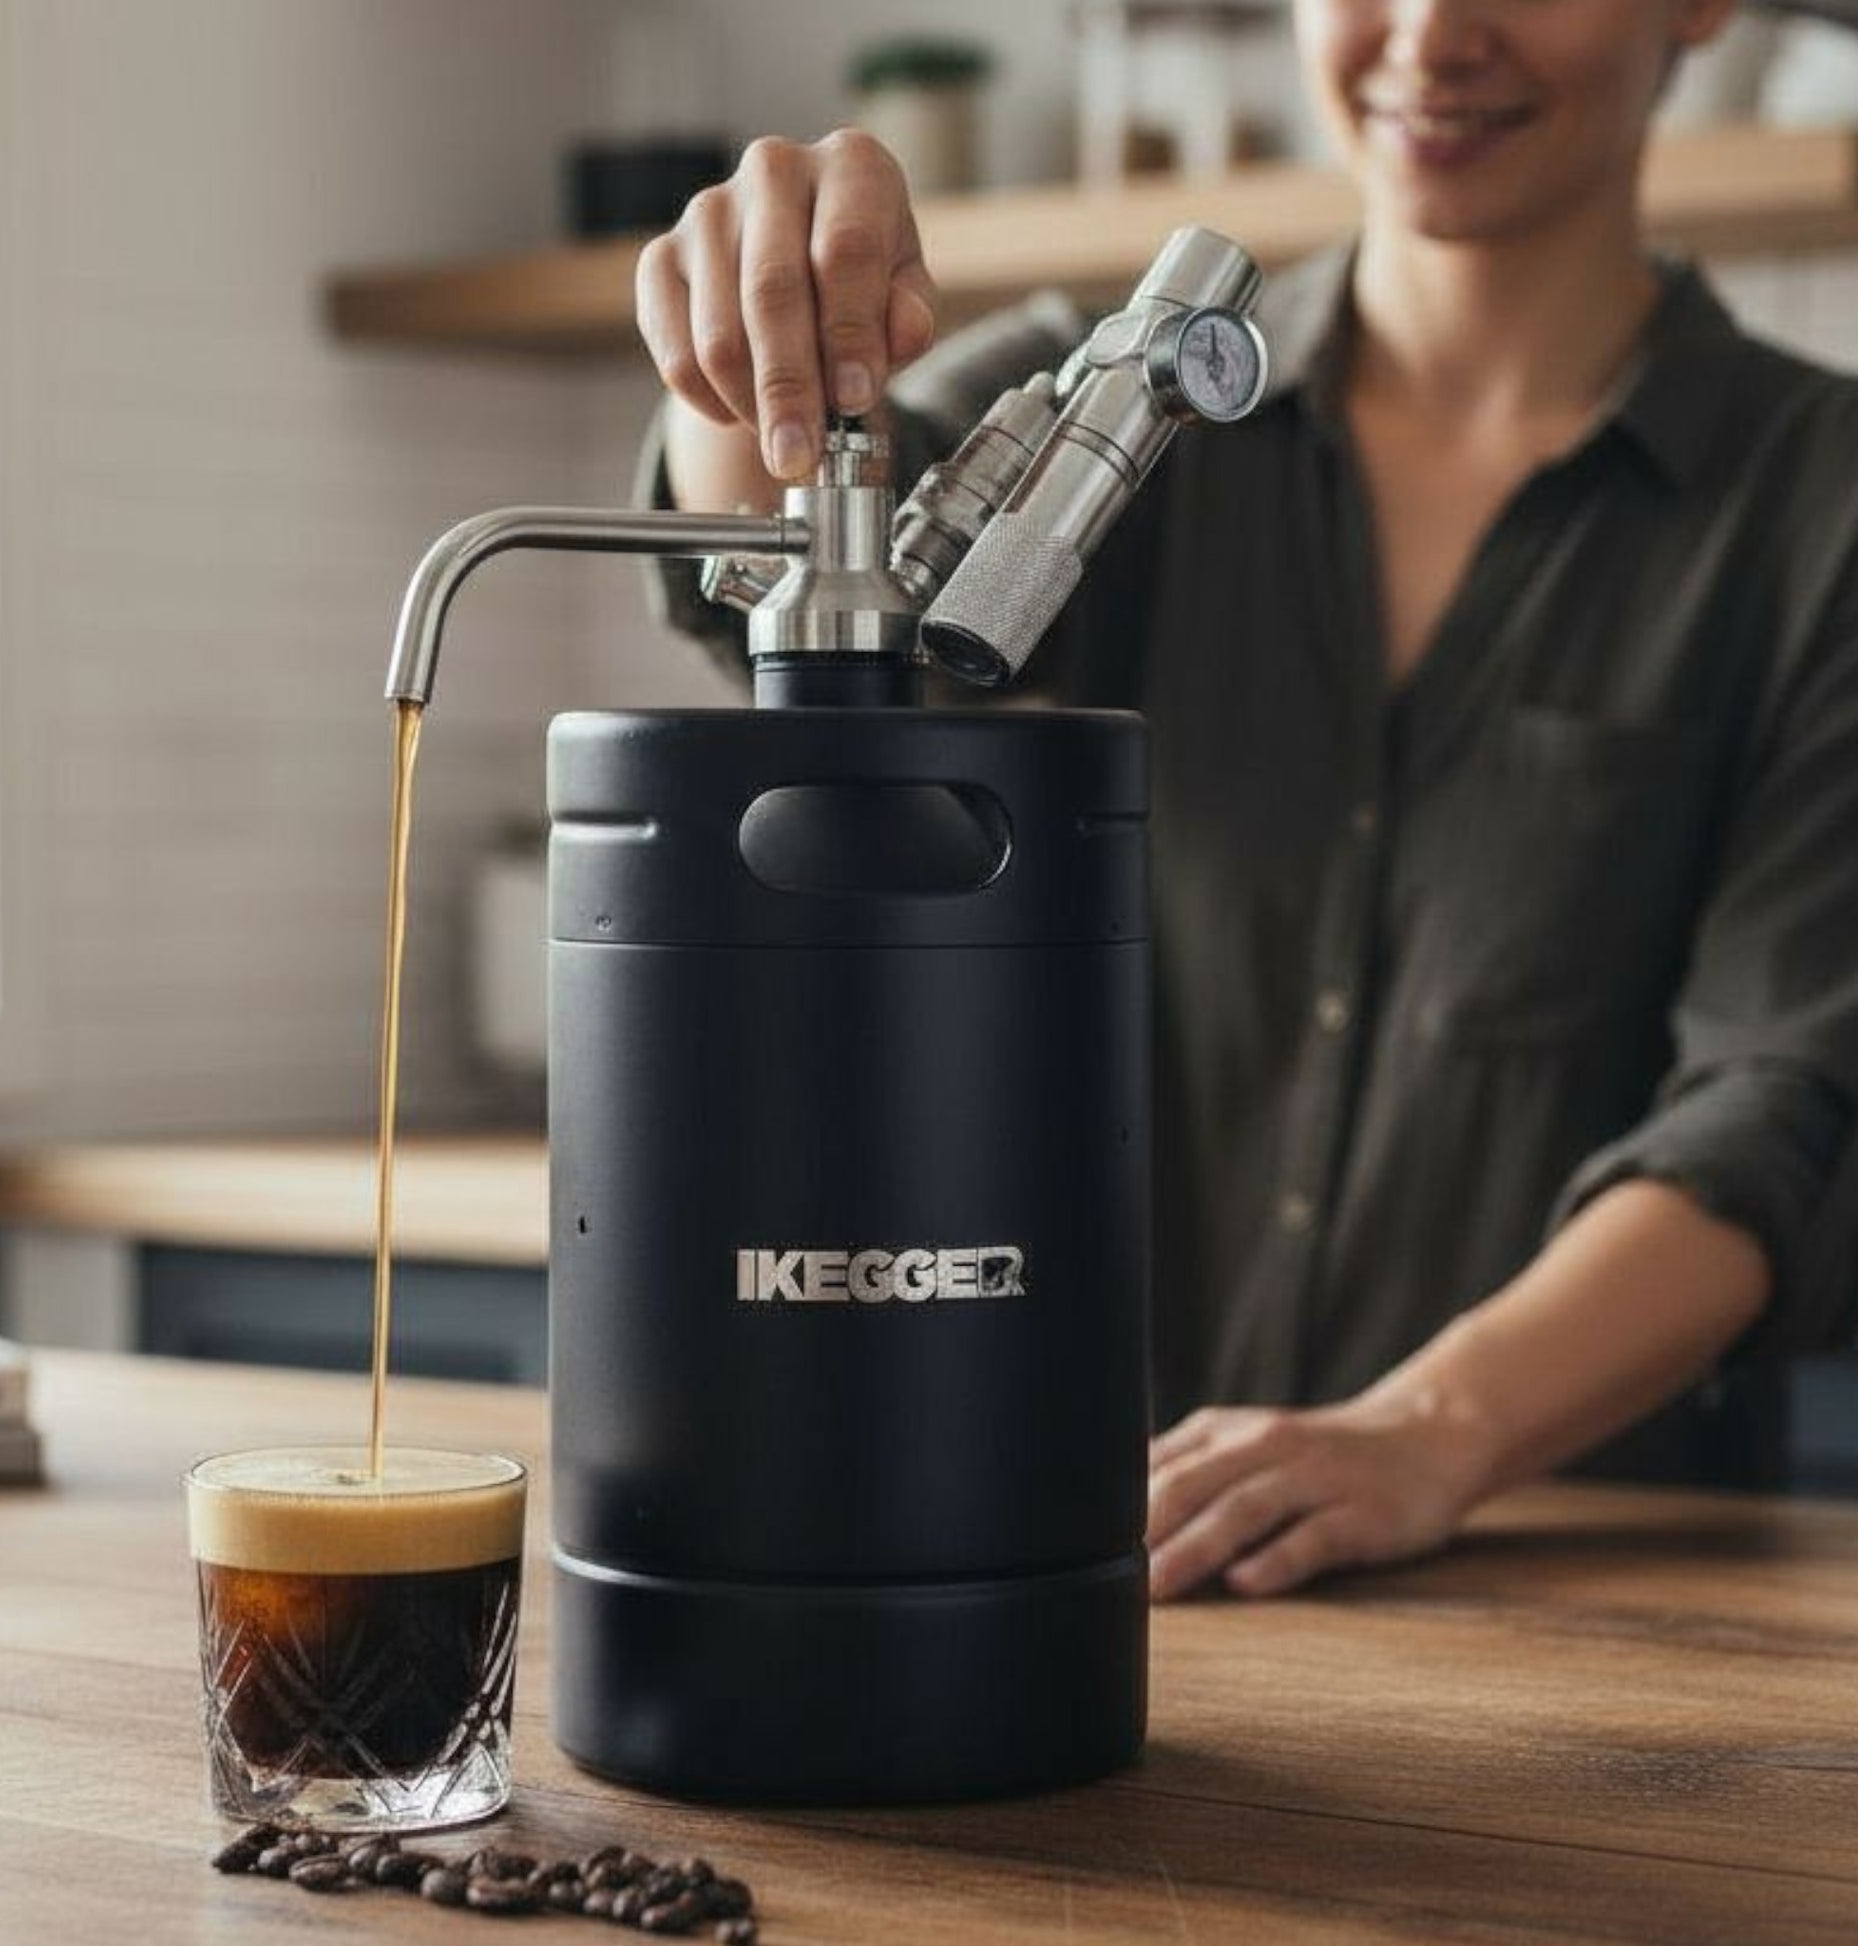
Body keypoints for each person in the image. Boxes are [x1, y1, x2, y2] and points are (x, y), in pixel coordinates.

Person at [633, 0, 1858, 1600]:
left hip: (1569, 1586)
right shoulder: (1107, 406)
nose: (1429, 33)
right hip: (1072, 1549)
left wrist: (1427, 1429)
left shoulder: (1818, 506)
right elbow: (766, 591)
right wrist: (758, 352)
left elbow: (1786, 1100)